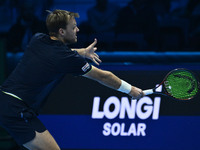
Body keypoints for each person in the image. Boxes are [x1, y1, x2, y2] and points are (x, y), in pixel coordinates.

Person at [0, 9, 144, 150]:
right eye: (74, 27)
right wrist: (131, 90)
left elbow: (60, 53)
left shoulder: (37, 39)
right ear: (62, 31)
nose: (78, 29)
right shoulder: (67, 59)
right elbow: (103, 76)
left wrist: (82, 52)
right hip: (15, 109)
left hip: (6, 101)